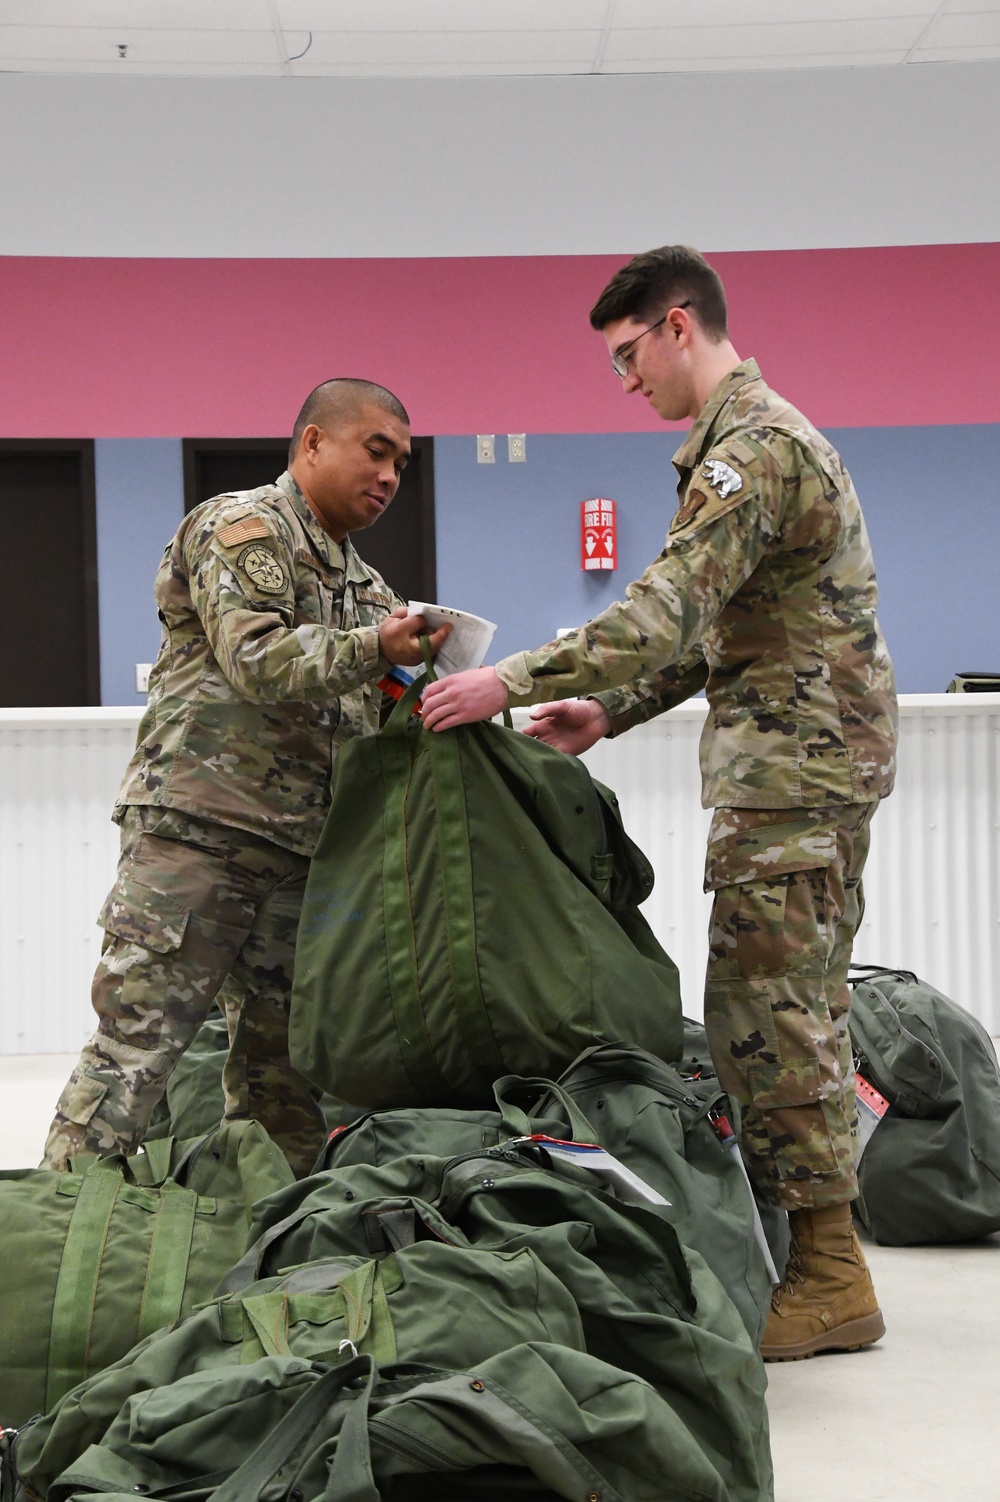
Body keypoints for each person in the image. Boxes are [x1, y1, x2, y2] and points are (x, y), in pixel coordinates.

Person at [421, 246, 898, 1361]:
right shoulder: (752, 442)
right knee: (795, 1007)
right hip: (803, 766)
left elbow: (666, 608)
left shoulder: (753, 450)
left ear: (678, 325)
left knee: (765, 1014)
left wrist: (513, 677)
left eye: (629, 354)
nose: (624, 379)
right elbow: (724, 634)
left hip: (796, 774)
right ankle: (819, 1257)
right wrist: (607, 712)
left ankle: (830, 1273)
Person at [43, 378, 449, 1177]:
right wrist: (378, 651)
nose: (391, 476)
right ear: (312, 443)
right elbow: (256, 657)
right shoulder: (243, 527)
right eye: (376, 451)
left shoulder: (367, 588)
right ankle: (50, 1264)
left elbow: (387, 702)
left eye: (402, 462)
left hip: (305, 863)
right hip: (200, 839)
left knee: (287, 1085)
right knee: (133, 1059)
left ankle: (262, 1252)